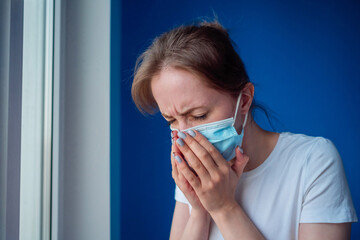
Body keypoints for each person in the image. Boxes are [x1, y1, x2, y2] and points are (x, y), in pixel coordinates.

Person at [131, 20, 357, 240]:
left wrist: (223, 207)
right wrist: (199, 209)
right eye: (170, 119)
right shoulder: (196, 172)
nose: (183, 135)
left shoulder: (314, 161)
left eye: (199, 115)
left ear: (245, 100)